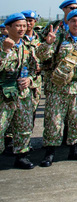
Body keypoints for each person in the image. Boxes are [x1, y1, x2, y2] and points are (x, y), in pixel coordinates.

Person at [37, 8, 77, 167]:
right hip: (58, 86)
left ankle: (75, 148)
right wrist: (48, 43)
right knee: (54, 120)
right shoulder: (58, 37)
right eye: (73, 21)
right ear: (68, 22)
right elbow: (41, 56)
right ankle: (50, 151)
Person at [0, 13, 38, 169]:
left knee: (24, 126)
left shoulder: (27, 46)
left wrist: (29, 79)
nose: (22, 28)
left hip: (22, 93)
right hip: (4, 94)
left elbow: (35, 68)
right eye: (18, 26)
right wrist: (5, 52)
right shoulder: (2, 46)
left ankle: (22, 155)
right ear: (7, 28)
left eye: (24, 25)